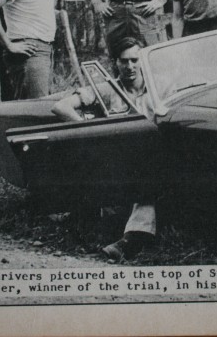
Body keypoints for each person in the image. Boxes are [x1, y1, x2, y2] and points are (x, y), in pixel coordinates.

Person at [52, 36, 155, 260]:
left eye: (135, 60)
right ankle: (131, 241)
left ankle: (131, 239)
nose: (130, 67)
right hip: (122, 160)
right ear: (115, 63)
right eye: (124, 61)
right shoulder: (107, 89)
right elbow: (61, 107)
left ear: (144, 61)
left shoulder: (159, 86)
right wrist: (89, 130)